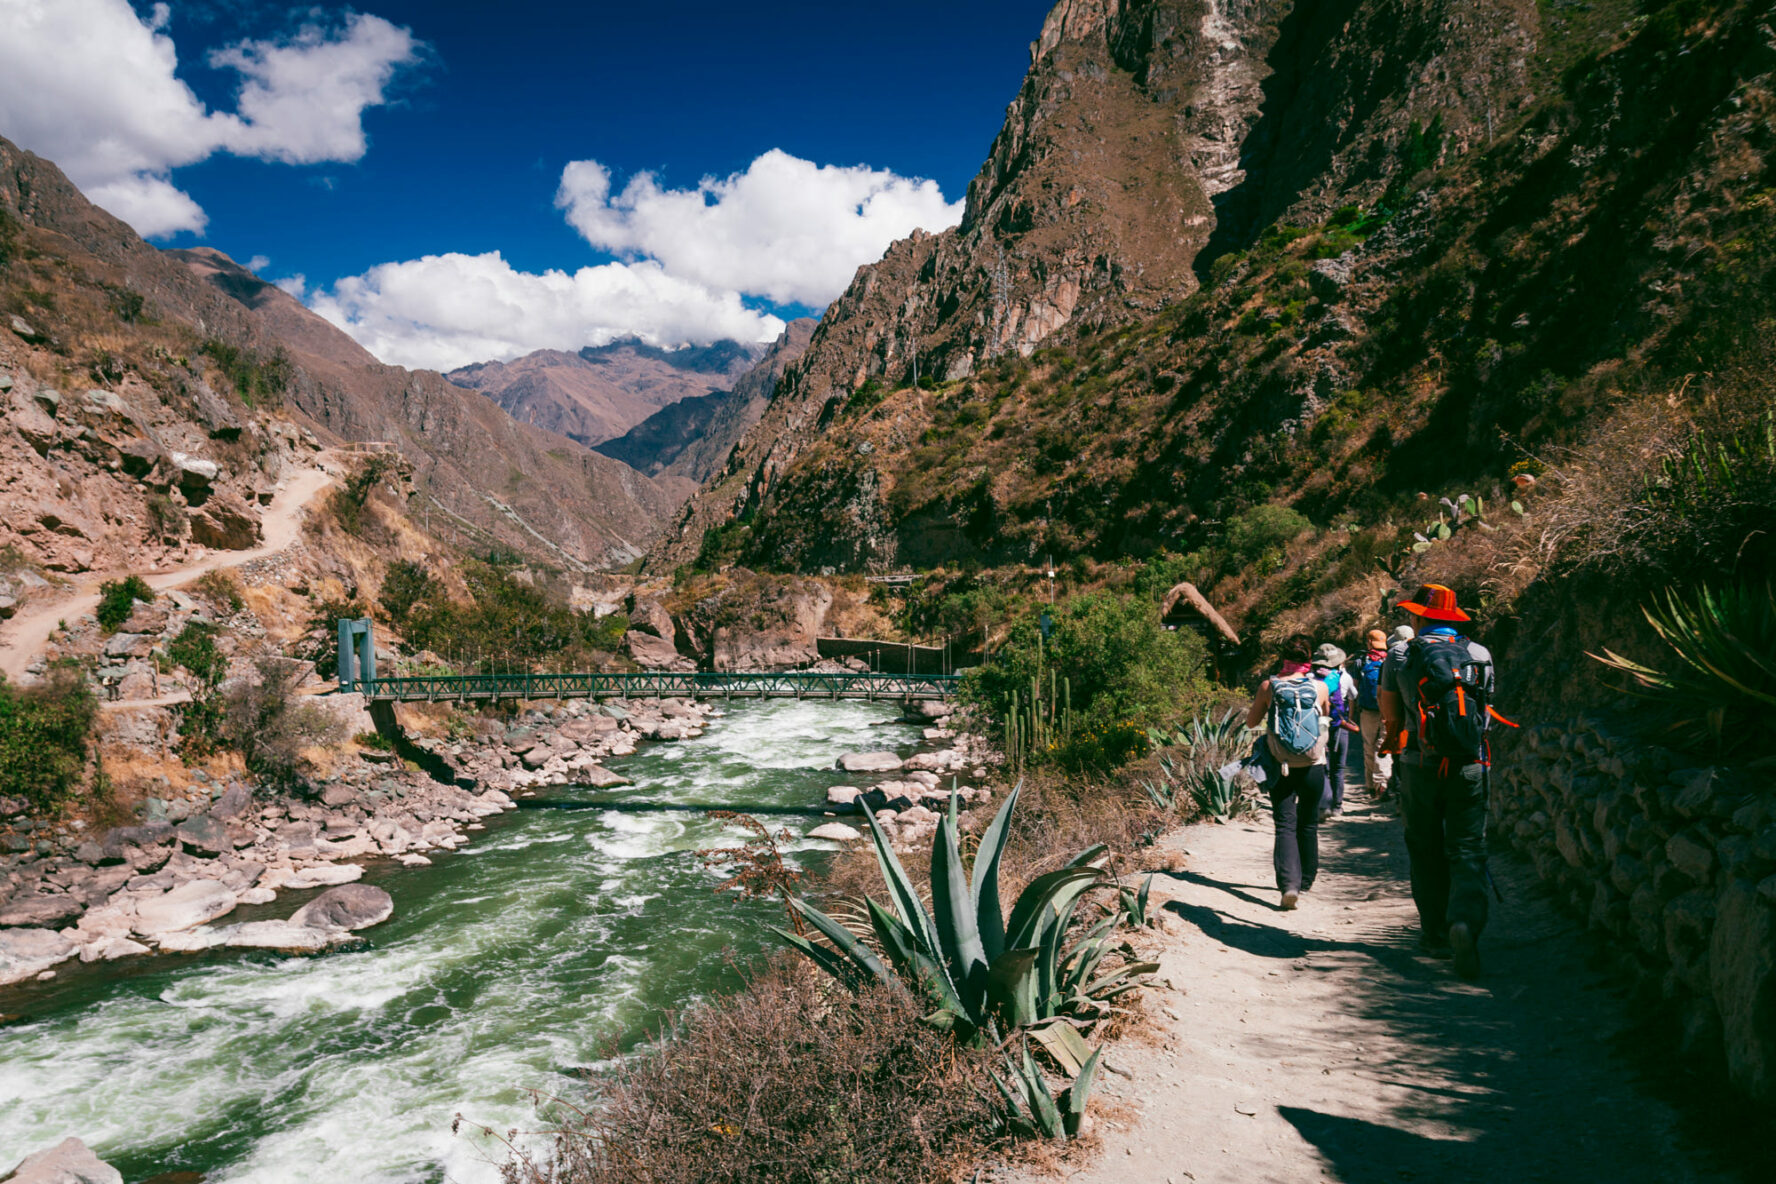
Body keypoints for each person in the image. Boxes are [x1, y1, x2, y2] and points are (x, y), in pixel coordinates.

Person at [1378, 585, 1501, 979]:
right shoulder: (1478, 654)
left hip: (1419, 764)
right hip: (1469, 765)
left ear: (1417, 618)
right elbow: (1486, 708)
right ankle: (1463, 923)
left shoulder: (1399, 654)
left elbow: (1391, 716)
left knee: (1425, 847)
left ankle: (1434, 934)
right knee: (1467, 848)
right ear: (1453, 618)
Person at [1245, 639, 1330, 911]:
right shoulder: (1319, 686)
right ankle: (1306, 881)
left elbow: (1251, 722)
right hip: (1314, 765)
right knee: (1308, 823)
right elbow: (1326, 716)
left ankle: (1289, 886)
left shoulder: (1269, 686)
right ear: (1308, 659)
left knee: (1285, 825)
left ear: (1283, 658)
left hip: (1281, 766)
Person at [1312, 643, 1358, 819]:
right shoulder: (1343, 677)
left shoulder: (1310, 677)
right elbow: (1354, 695)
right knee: (1338, 769)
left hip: (1318, 726)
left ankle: (1323, 804)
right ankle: (1337, 806)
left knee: (1323, 765)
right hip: (1339, 726)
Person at [1355, 629, 1392, 800]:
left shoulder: (1361, 661)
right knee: (1383, 746)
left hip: (1367, 711)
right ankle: (1382, 784)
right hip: (1387, 707)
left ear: (1369, 642)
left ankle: (1370, 785)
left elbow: (1355, 688)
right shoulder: (1391, 658)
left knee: (1368, 747)